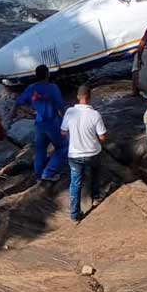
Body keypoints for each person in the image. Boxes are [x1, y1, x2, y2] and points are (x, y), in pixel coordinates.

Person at [10, 65, 67, 183]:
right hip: (52, 122)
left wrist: (30, 112)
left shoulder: (31, 88)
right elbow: (61, 107)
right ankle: (49, 172)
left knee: (40, 150)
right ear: (48, 75)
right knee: (63, 147)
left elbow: (19, 103)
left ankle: (38, 176)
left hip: (39, 124)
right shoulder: (53, 88)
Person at [62, 85, 107, 222]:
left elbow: (63, 132)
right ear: (90, 97)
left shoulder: (69, 112)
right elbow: (103, 137)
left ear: (78, 97)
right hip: (93, 153)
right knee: (95, 174)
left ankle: (75, 215)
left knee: (76, 183)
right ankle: (95, 198)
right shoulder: (95, 114)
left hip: (75, 155)